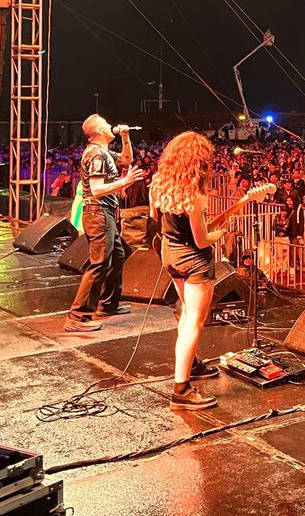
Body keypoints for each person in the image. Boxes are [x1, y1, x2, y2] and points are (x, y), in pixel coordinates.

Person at [149, 131, 231, 411]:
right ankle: (181, 389)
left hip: (170, 255)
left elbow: (154, 219)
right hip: (194, 260)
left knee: (185, 312)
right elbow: (201, 240)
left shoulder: (158, 185)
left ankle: (190, 366)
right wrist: (219, 233)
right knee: (195, 320)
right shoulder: (194, 196)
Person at [63, 115, 145, 333]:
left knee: (117, 256)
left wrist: (126, 137)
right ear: (99, 131)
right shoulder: (97, 154)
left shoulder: (104, 152)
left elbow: (126, 159)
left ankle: (108, 304)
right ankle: (77, 316)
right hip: (98, 212)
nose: (112, 127)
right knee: (99, 263)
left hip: (105, 213)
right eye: (108, 125)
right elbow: (97, 190)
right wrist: (125, 182)